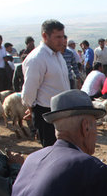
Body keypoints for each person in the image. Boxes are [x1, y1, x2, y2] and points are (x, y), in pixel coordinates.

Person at [21, 19, 70, 147]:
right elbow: (29, 90)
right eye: (57, 37)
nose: (61, 41)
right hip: (47, 114)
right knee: (52, 150)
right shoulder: (37, 58)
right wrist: (31, 109)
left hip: (62, 111)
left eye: (62, 37)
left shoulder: (58, 55)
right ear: (45, 36)